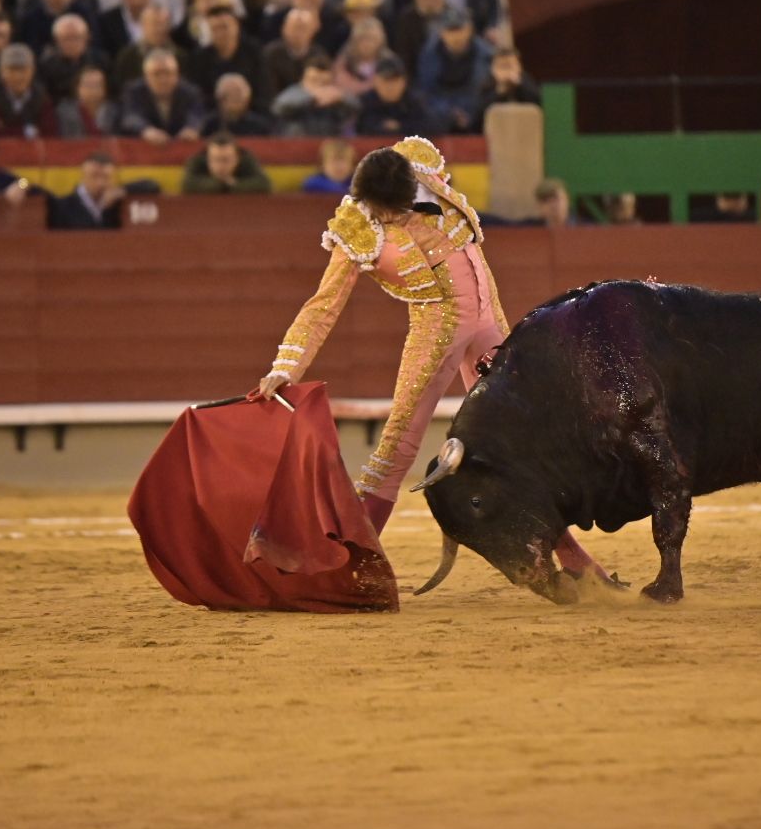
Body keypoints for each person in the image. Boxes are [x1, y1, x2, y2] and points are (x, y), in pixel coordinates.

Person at [254, 140, 613, 581]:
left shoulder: (422, 165)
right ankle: (350, 567)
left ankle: (576, 561)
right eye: (386, 212)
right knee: (399, 444)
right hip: (434, 329)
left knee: (523, 442)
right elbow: (322, 305)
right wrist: (284, 368)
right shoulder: (356, 228)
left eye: (399, 209)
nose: (393, 219)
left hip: (487, 320)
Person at [118, 48, 204, 142]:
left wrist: (191, 128)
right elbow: (131, 116)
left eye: (168, 73)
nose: (163, 80)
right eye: (156, 74)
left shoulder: (190, 92)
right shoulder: (133, 91)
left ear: (177, 74)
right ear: (146, 76)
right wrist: (146, 130)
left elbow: (196, 114)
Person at [356, 52, 438, 135]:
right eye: (386, 81)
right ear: (375, 81)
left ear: (404, 81)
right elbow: (358, 128)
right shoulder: (364, 103)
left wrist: (400, 127)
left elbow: (433, 127)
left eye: (395, 81)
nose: (391, 87)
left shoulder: (415, 102)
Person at [49, 152, 126, 229]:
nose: (100, 183)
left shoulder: (119, 207)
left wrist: (124, 190)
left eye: (106, 177)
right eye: (94, 176)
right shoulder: (61, 206)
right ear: (83, 174)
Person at [181, 131, 272, 192]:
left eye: (226, 160)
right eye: (215, 160)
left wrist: (234, 185)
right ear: (207, 158)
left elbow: (264, 184)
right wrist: (220, 183)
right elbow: (186, 185)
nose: (220, 166)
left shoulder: (247, 160)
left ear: (237, 158)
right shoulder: (197, 160)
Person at [56, 65, 120, 137]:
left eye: (97, 85)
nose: (93, 90)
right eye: (88, 85)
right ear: (77, 88)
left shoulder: (113, 110)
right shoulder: (66, 110)